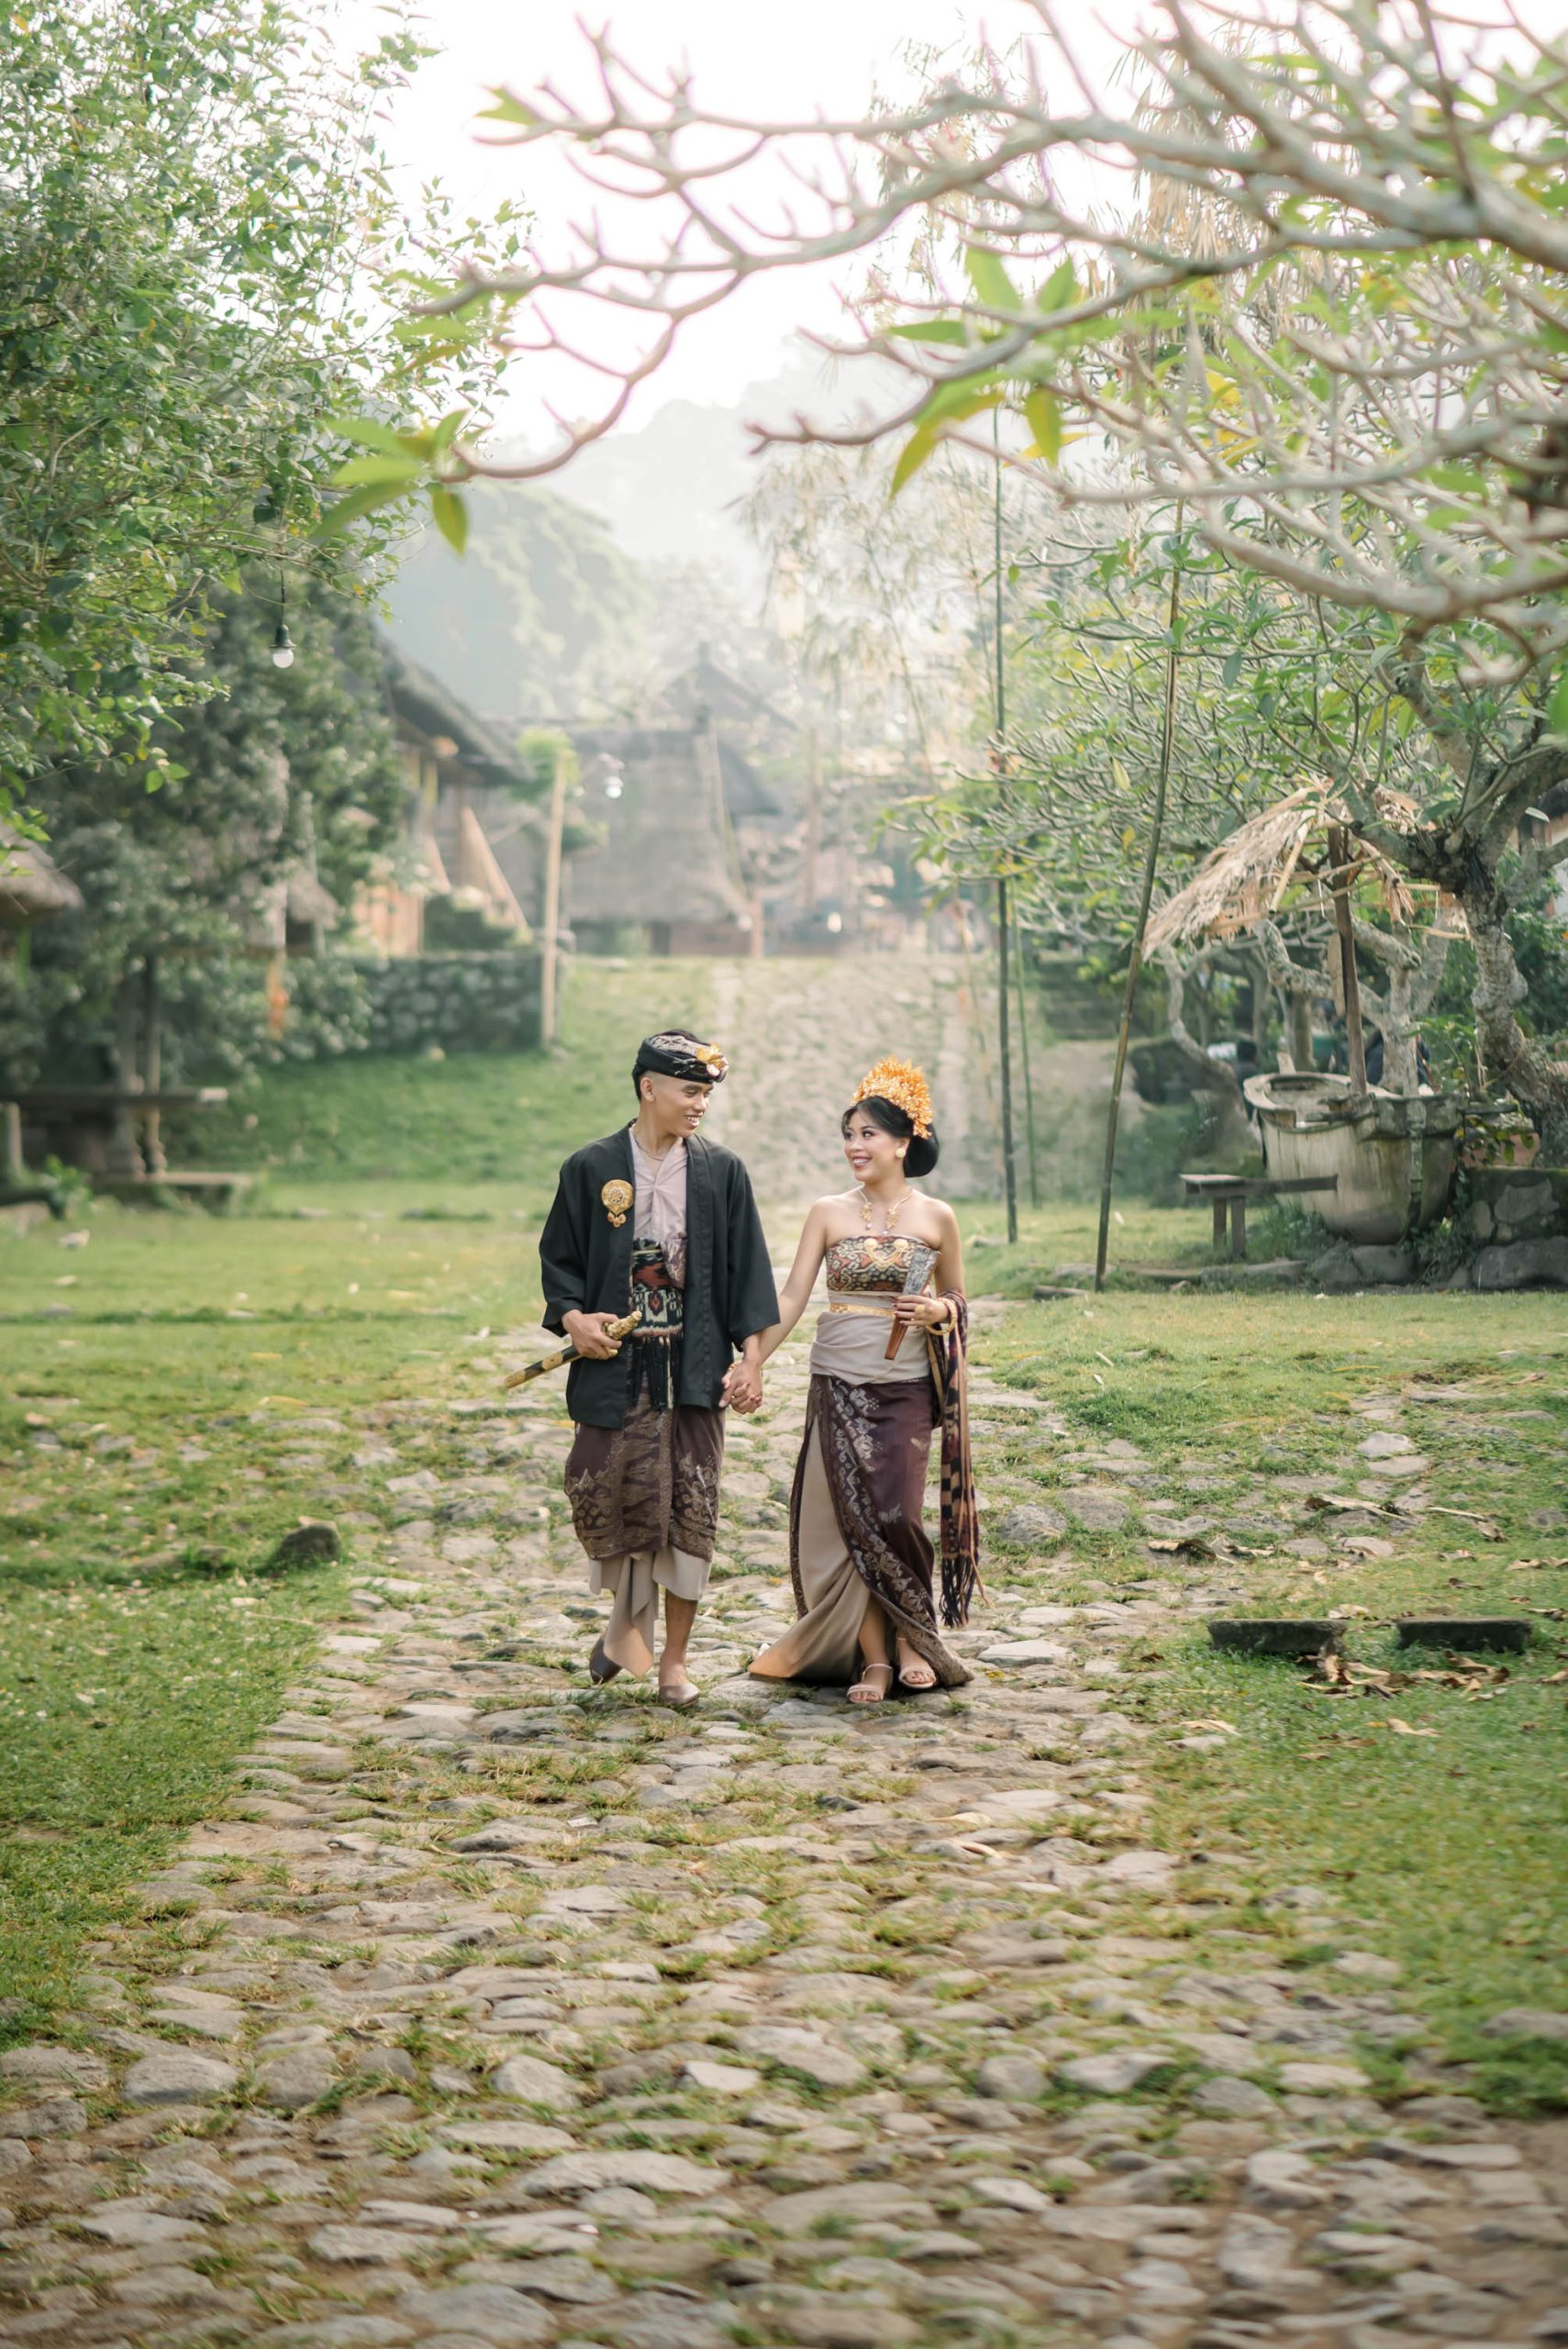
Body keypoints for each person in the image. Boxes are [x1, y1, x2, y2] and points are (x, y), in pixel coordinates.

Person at [539, 1029, 779, 1707]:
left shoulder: (722, 1171)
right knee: (603, 1489)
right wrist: (574, 1320)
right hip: (616, 1368)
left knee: (689, 1509)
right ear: (648, 1087)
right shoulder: (590, 1167)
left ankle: (673, 1661)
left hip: (691, 1365)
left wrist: (752, 1359)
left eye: (706, 1095)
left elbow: (748, 1271)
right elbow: (560, 1261)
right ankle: (625, 1625)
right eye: (689, 1091)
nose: (700, 1105)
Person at [749, 1056, 979, 1704]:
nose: (855, 1145)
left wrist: (936, 1311)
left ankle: (915, 1640)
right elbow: (792, 1296)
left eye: (868, 1134)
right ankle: (874, 1660)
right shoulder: (827, 1212)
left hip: (906, 1387)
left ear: (903, 1142)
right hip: (836, 1383)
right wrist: (753, 1359)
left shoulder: (937, 1217)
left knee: (895, 1514)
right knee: (849, 1525)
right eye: (848, 1134)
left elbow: (958, 1298)